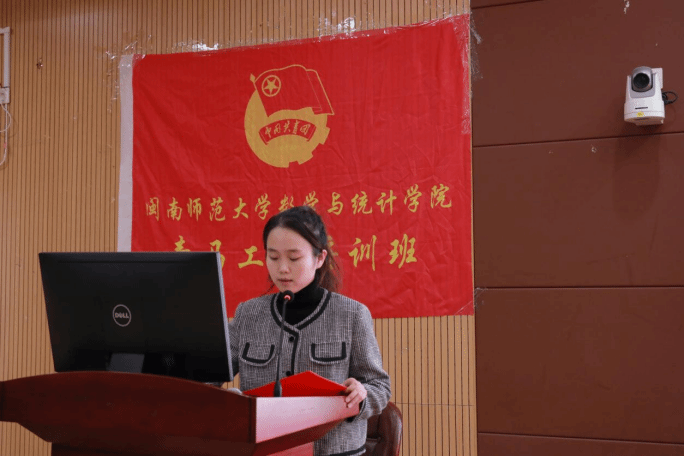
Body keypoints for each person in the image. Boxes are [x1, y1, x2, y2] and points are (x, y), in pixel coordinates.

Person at [229, 205, 391, 456]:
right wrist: (226, 400)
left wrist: (361, 395)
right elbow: (209, 375)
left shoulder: (351, 315)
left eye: (294, 258)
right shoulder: (247, 314)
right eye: (273, 257)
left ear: (319, 258)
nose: (282, 268)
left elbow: (380, 387)